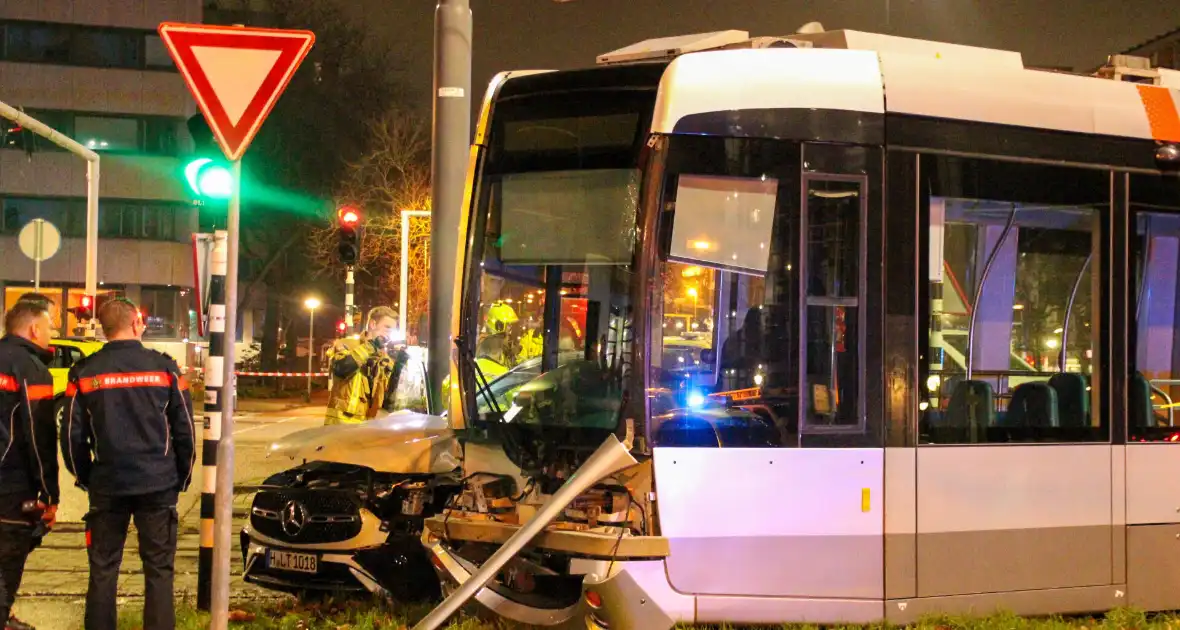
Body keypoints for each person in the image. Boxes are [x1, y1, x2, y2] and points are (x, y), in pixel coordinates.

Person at [62, 298, 195, 630]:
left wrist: (86, 477)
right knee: (159, 570)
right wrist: (180, 477)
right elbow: (185, 432)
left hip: (108, 485)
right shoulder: (165, 369)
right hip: (158, 485)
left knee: (103, 569)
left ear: (104, 329)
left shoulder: (85, 373)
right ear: (137, 324)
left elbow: (70, 436)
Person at [0, 299, 60, 630]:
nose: (51, 332)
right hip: (10, 484)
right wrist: (49, 494)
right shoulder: (31, 369)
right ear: (34, 328)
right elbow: (39, 438)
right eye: (49, 325)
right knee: (7, 559)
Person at [325, 306, 409, 424]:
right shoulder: (347, 344)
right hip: (340, 427)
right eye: (387, 328)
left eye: (392, 330)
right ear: (373, 324)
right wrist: (371, 346)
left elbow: (388, 400)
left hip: (366, 429)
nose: (389, 334)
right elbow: (341, 369)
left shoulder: (384, 359)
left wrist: (399, 366)